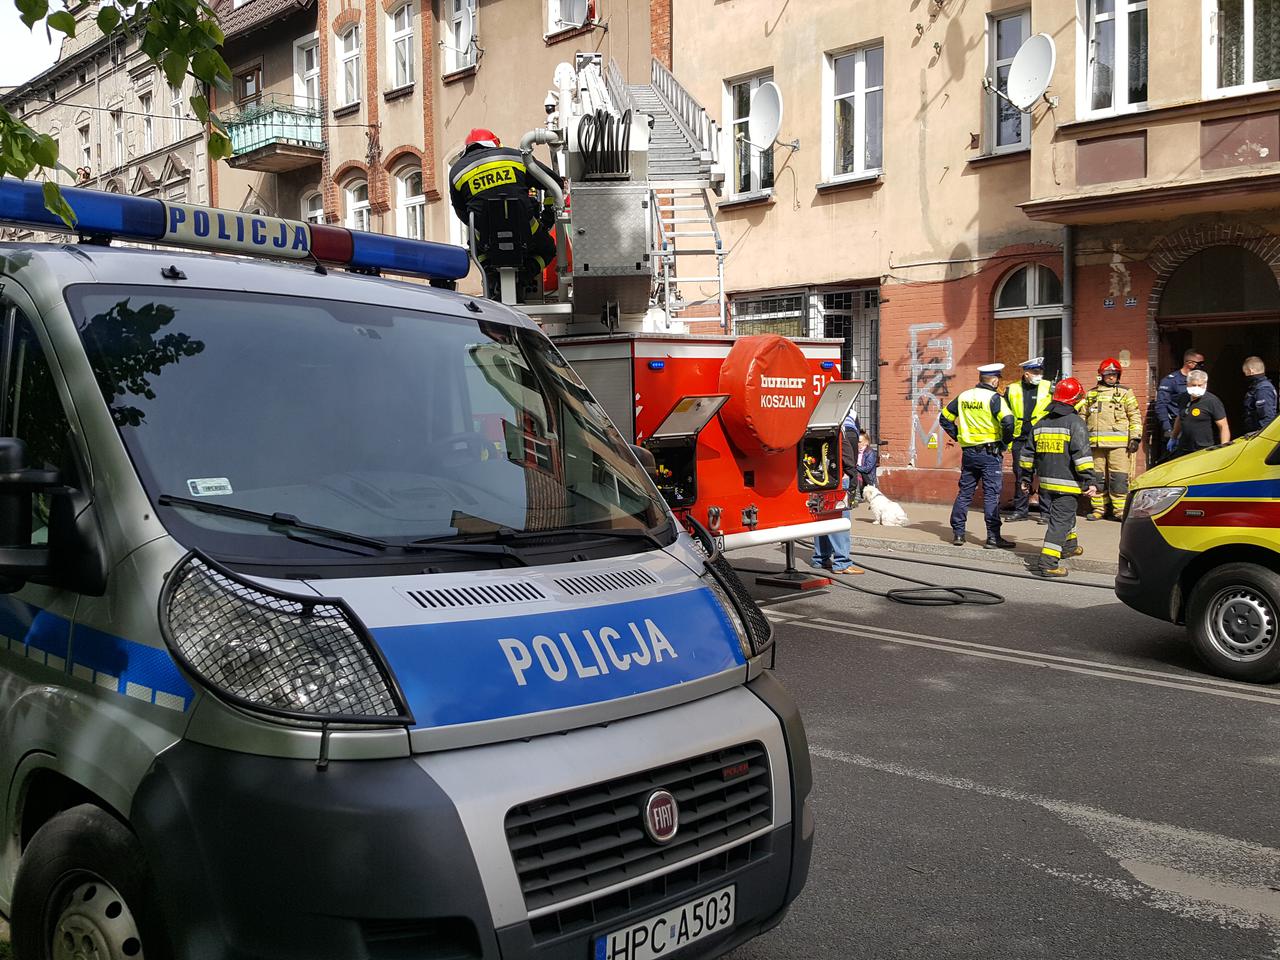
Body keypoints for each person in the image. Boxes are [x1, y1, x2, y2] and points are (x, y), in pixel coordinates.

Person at [448, 128, 558, 295]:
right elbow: (553, 183)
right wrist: (549, 213)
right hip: (526, 230)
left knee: (477, 248)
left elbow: (461, 212)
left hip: (486, 238)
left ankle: (491, 276)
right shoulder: (516, 157)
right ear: (495, 143)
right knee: (548, 249)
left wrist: (481, 227)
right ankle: (525, 275)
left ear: (468, 148)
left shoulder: (456, 171)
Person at [1020, 377, 1098, 578]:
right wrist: (1090, 480)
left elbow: (1027, 454)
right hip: (1068, 483)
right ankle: (1048, 563)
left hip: (1046, 484)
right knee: (1060, 521)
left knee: (1065, 515)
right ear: (1074, 400)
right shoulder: (1075, 423)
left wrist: (1026, 479)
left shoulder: (1041, 423)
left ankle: (1069, 546)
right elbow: (1082, 456)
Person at [940, 362, 1016, 549]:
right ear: (995, 380)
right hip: (990, 453)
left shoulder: (964, 396)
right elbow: (1008, 421)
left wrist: (957, 435)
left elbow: (944, 418)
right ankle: (992, 537)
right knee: (991, 495)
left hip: (969, 453)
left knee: (965, 493)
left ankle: (958, 533)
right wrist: (1005, 442)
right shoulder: (994, 398)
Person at [1083, 357, 1142, 522]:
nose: (1111, 377)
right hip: (1095, 445)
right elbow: (1082, 416)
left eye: (1114, 374)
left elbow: (1135, 416)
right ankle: (1098, 509)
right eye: (1108, 374)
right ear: (1101, 375)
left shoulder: (1125, 393)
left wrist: (1135, 438)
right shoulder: (1091, 394)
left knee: (1119, 478)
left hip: (1119, 446)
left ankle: (1120, 511)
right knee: (1097, 477)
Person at [810, 415, 864, 575]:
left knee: (822, 518)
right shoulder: (842, 419)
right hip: (839, 478)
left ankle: (820, 558)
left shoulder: (815, 418)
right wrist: (853, 475)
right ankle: (842, 563)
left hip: (819, 476)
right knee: (839, 520)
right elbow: (845, 448)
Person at [1002, 357, 1052, 523]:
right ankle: (1020, 511)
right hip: (1020, 439)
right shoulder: (1012, 389)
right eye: (1035, 372)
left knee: (1044, 475)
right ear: (1026, 373)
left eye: (1040, 372)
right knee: (1021, 475)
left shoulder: (1049, 387)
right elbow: (1006, 413)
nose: (1039, 375)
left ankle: (1046, 513)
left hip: (1043, 437)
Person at [1154, 348, 1204, 462]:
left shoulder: (1201, 381)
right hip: (1176, 426)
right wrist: (1167, 428)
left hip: (1195, 427)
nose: (1202, 366)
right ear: (1189, 363)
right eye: (1200, 363)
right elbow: (1161, 405)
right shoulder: (1171, 381)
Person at [1172, 369, 1230, 455]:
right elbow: (1180, 418)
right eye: (1194, 385)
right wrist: (1173, 437)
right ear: (1187, 384)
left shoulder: (1212, 401)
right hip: (1184, 447)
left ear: (1205, 385)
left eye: (1200, 385)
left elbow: (1223, 426)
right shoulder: (1183, 398)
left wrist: (1224, 448)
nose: (1197, 388)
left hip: (1205, 448)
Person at [1242, 356, 1278, 432]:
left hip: (1260, 434)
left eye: (1245, 373)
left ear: (1250, 371)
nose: (1245, 375)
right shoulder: (1257, 387)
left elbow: (1267, 418)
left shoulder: (1263, 389)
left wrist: (1260, 436)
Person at [854, 431, 878, 501]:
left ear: (866, 442)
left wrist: (856, 467)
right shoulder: (857, 452)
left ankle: (857, 496)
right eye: (857, 441)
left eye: (860, 442)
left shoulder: (870, 452)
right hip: (860, 477)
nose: (858, 443)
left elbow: (868, 468)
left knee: (856, 472)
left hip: (868, 478)